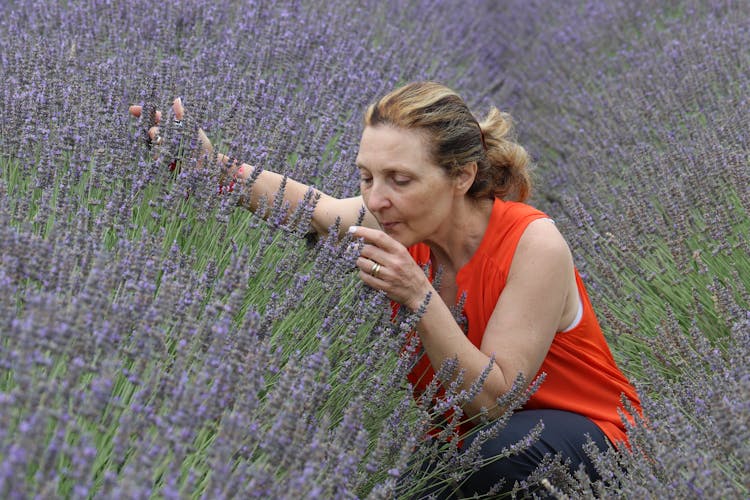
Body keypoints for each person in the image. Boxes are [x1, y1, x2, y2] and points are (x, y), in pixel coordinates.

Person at [130, 81, 641, 496]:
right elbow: (310, 208)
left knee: (486, 459)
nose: (378, 198)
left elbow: (496, 401)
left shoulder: (533, 244)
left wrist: (418, 297)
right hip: (463, 448)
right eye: (366, 177)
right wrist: (209, 168)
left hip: (583, 437)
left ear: (461, 176)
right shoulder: (394, 222)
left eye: (400, 179)